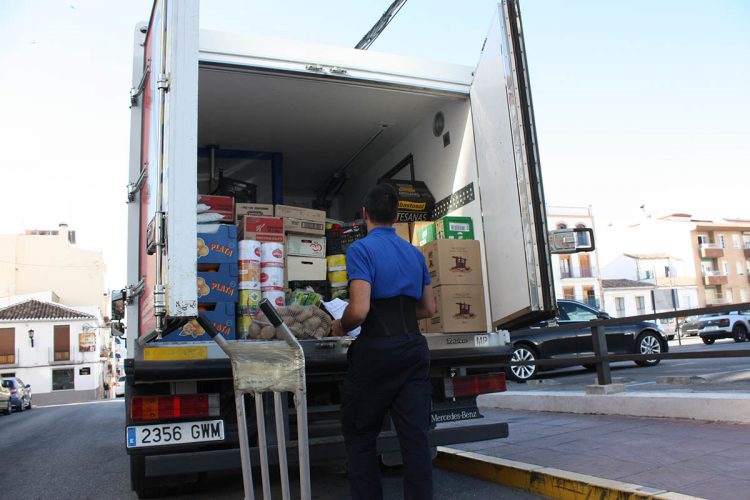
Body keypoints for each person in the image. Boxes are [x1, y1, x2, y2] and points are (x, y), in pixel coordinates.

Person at [331, 183, 437, 500]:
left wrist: (339, 324)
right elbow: (428, 308)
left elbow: (360, 310)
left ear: (365, 215)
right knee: (415, 438)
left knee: (361, 435)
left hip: (377, 352)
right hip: (414, 349)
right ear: (395, 216)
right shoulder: (414, 253)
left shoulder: (361, 250)